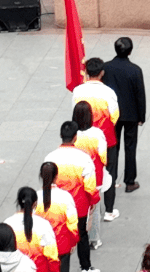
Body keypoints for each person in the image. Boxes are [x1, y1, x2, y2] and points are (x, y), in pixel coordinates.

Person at [43, 122, 97, 272]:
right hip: (79, 205)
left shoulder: (50, 157)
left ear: (61, 136)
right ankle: (85, 266)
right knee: (81, 234)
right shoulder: (84, 158)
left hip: (55, 206)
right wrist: (92, 202)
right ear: (75, 137)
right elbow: (90, 185)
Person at [101, 36, 146, 202]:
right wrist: (141, 116)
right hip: (131, 115)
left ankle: (110, 180)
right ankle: (130, 181)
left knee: (113, 147)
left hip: (112, 115)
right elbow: (140, 95)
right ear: (130, 51)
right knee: (130, 147)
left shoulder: (106, 68)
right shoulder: (135, 70)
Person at [70, 100, 110, 241]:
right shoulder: (97, 134)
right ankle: (94, 238)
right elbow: (103, 156)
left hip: (75, 177)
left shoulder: (73, 135)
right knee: (95, 210)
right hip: (95, 177)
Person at [34, 163, 78, 272]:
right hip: (62, 242)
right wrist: (73, 240)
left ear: (41, 175)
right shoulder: (65, 196)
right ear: (56, 176)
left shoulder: (36, 197)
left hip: (42, 245)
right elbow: (72, 221)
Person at [4, 189, 59, 272]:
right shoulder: (43, 224)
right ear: (35, 203)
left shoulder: (7, 223)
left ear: (18, 202)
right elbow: (52, 254)